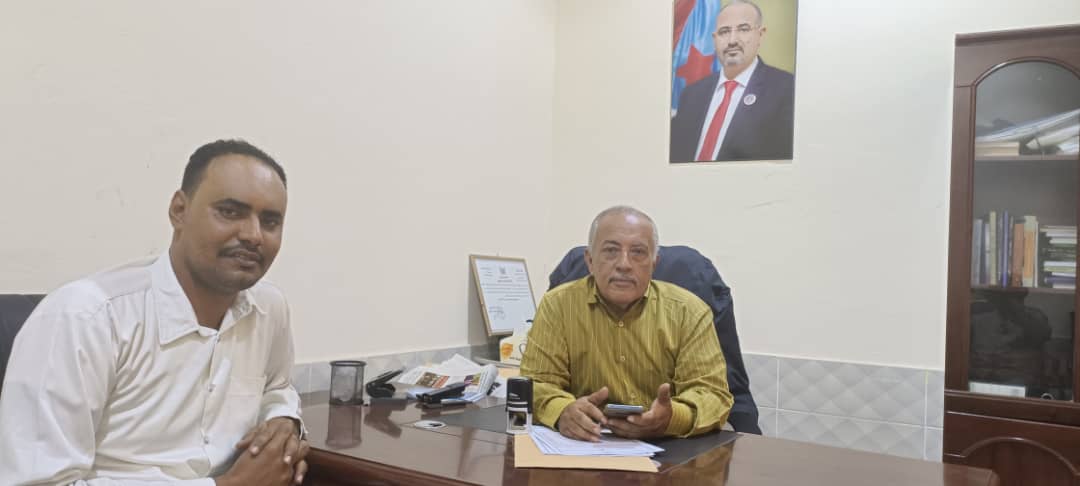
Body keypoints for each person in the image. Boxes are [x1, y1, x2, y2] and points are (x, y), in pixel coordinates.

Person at [0, 140, 308, 485]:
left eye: (270, 221)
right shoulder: (85, 319)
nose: (253, 235)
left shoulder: (269, 309)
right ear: (179, 210)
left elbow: (279, 387)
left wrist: (284, 421)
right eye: (230, 212)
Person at [520, 206, 733, 441]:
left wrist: (671, 418)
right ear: (590, 261)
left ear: (654, 263)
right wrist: (562, 411)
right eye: (611, 251)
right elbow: (536, 384)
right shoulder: (558, 305)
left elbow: (712, 395)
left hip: (668, 448)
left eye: (638, 252)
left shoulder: (689, 312)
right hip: (583, 444)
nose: (624, 264)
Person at [670, 0, 795, 162]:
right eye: (724, 31)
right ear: (714, 39)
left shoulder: (787, 90)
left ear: (760, 34)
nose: (732, 41)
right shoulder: (691, 94)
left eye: (743, 29)